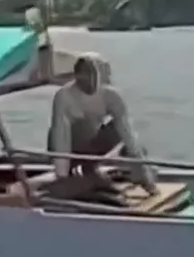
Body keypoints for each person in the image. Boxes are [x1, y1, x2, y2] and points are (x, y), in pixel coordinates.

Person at [48, 55, 156, 193]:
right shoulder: (64, 97)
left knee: (117, 130)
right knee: (77, 127)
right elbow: (60, 137)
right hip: (70, 145)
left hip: (91, 145)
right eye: (85, 73)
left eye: (93, 73)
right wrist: (61, 176)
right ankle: (69, 173)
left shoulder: (111, 96)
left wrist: (144, 173)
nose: (90, 79)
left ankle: (91, 168)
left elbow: (128, 135)